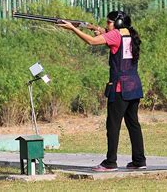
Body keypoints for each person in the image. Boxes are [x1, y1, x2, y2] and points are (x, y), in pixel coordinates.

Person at [59, 10, 146, 172]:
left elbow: (91, 42)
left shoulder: (115, 35)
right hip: (134, 86)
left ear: (117, 23)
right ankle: (139, 160)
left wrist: (73, 28)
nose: (107, 25)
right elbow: (114, 40)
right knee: (133, 124)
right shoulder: (131, 34)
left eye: (109, 22)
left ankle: (110, 162)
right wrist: (101, 31)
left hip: (120, 87)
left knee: (112, 126)